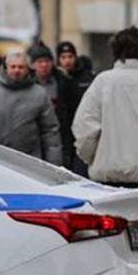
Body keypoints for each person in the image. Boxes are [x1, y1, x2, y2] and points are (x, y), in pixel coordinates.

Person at [73, 27, 138, 251]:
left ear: (115, 51)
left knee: (112, 233)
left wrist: (89, 157)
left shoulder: (103, 82)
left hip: (110, 172)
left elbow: (84, 126)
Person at [0, 50, 62, 165]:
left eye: (21, 67)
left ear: (27, 69)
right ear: (6, 68)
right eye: (13, 66)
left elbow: (50, 131)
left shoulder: (39, 94)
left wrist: (54, 163)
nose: (17, 70)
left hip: (29, 162)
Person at [56, 41, 94, 175]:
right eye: (63, 57)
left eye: (70, 57)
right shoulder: (56, 78)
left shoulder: (86, 77)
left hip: (80, 131)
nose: (67, 61)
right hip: (63, 132)